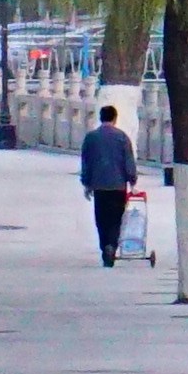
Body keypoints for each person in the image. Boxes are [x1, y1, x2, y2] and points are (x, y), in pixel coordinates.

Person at [79, 98, 141, 266]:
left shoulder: (91, 138)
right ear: (115, 119)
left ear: (101, 118)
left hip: (99, 185)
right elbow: (128, 161)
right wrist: (132, 181)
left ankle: (104, 246)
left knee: (101, 218)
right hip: (118, 186)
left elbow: (86, 161)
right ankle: (112, 245)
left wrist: (86, 183)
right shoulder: (122, 137)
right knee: (116, 218)